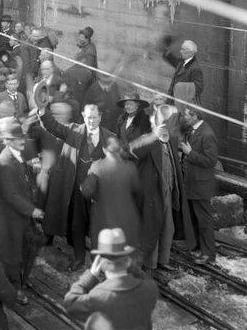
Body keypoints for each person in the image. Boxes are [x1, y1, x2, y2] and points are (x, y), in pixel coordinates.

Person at [38, 103, 113, 272]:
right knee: (77, 222)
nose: (91, 121)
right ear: (83, 116)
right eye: (88, 117)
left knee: (95, 227)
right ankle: (79, 257)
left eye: (94, 117)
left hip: (96, 193)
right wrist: (42, 111)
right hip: (74, 188)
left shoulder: (109, 137)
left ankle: (96, 261)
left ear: (100, 117)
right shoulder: (73, 131)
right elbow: (52, 126)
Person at [128, 92, 192, 271]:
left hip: (169, 190)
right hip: (152, 192)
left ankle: (163, 261)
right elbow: (131, 151)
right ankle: (149, 264)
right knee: (152, 227)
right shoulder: (147, 138)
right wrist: (152, 137)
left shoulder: (171, 140)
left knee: (168, 228)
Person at [63, 228, 158, 330]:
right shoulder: (147, 287)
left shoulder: (100, 295)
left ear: (102, 263)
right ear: (127, 261)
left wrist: (91, 276)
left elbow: (70, 302)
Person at [0, 119, 45, 305]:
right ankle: (15, 288)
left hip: (21, 215)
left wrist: (31, 169)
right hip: (13, 218)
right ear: (8, 141)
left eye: (22, 137)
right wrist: (32, 211)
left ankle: (21, 280)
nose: (22, 141)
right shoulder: (5, 162)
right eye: (17, 138)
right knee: (15, 254)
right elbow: (10, 195)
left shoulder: (16, 155)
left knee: (25, 248)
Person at [81, 135, 142, 253]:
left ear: (104, 149)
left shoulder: (97, 167)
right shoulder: (130, 167)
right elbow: (137, 189)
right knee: (123, 253)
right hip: (126, 219)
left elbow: (87, 191)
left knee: (102, 251)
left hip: (104, 218)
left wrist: (83, 187)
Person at [179, 106, 219, 264]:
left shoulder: (207, 134)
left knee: (204, 220)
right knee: (196, 218)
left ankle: (209, 254)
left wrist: (190, 153)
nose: (184, 117)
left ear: (195, 116)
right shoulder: (193, 130)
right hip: (193, 183)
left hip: (201, 185)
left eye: (186, 115)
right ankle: (199, 247)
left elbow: (211, 161)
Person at [163, 38, 204, 104]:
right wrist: (167, 53)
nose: (180, 51)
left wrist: (181, 87)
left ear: (190, 52)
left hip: (183, 103)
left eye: (183, 49)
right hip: (174, 100)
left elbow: (198, 88)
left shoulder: (196, 68)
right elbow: (175, 62)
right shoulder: (182, 62)